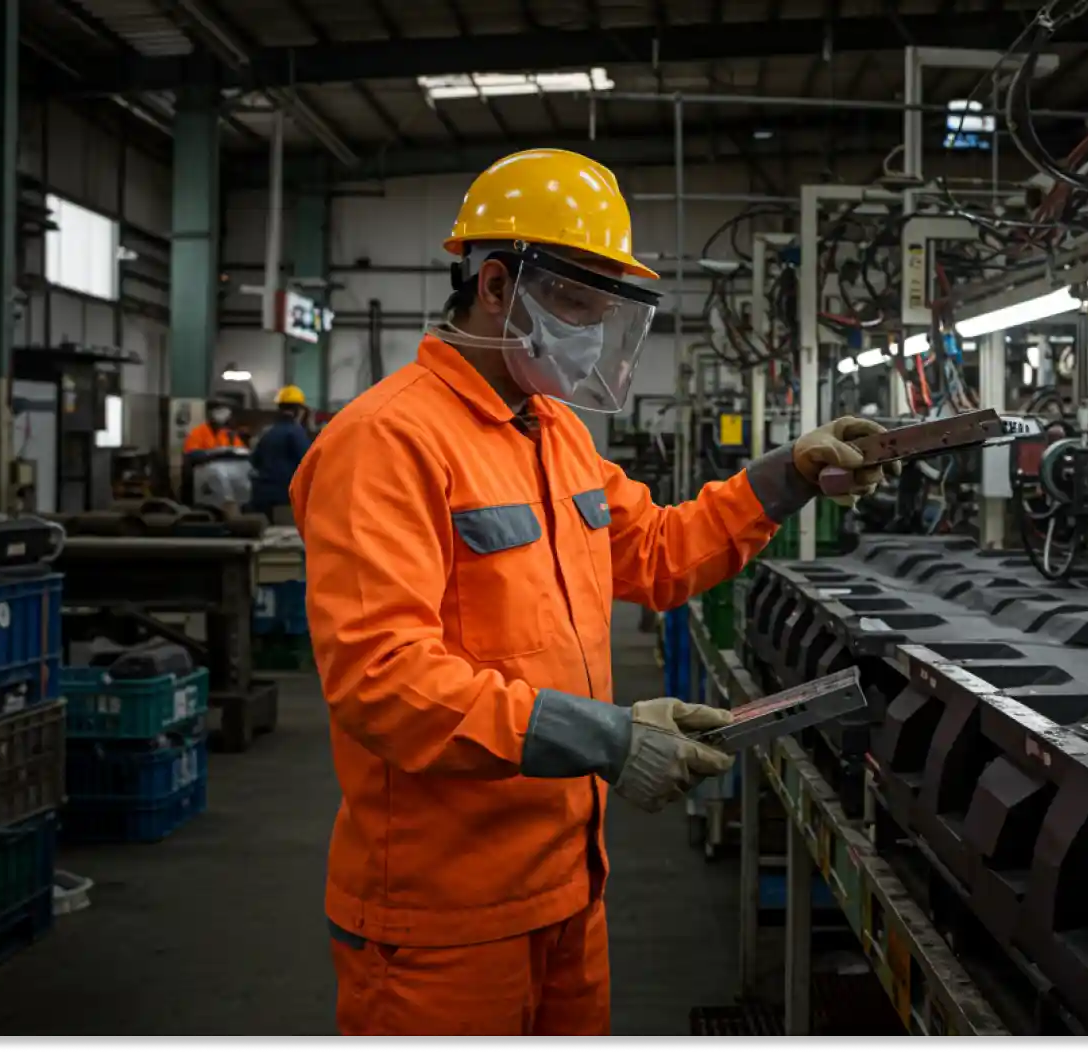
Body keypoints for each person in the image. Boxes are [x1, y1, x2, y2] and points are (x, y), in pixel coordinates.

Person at [289, 147, 886, 1038]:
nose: (593, 334)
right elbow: (383, 680)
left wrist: (791, 474)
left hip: (569, 881)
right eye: (576, 303)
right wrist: (608, 736)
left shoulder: (555, 433)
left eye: (605, 311)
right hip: (442, 917)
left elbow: (657, 552)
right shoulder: (386, 442)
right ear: (496, 283)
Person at [250, 385, 313, 522]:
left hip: (261, 495)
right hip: (284, 498)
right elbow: (307, 463)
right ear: (298, 410)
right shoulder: (296, 433)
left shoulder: (267, 432)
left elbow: (254, 461)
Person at [182, 399, 249, 506]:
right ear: (210, 414)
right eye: (219, 411)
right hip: (205, 478)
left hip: (228, 477)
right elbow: (192, 454)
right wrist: (212, 454)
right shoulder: (198, 432)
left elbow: (242, 451)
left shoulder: (228, 434)